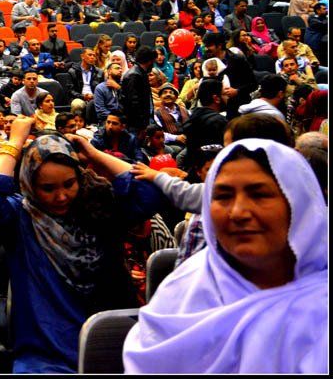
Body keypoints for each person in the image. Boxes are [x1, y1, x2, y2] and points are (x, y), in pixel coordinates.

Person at [0, 120, 169, 372]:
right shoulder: (19, 219)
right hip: (44, 359)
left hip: (104, 350)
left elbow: (150, 193)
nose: (61, 196)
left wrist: (94, 154)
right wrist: (14, 142)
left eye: (69, 184)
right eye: (48, 188)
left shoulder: (96, 211)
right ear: (29, 186)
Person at [123, 139, 327, 373]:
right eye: (223, 196)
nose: (238, 212)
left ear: (298, 204)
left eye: (259, 194)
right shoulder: (182, 293)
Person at [119, 46, 156, 137]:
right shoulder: (134, 75)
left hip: (140, 122)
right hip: (135, 124)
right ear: (149, 61)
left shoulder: (140, 73)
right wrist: (142, 125)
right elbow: (134, 103)